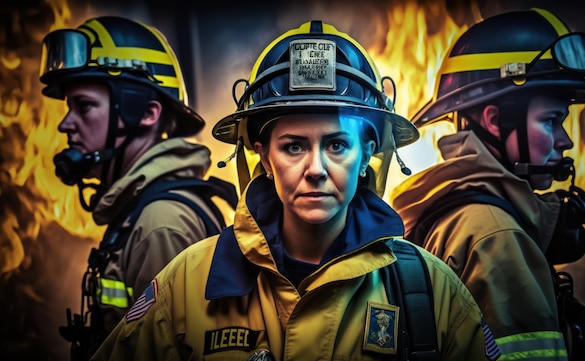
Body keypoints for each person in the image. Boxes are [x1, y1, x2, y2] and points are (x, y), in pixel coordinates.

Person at [91, 20, 501, 361]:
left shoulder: (430, 289)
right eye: (293, 146)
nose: (316, 170)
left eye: (337, 145)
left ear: (367, 157)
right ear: (264, 159)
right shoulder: (187, 284)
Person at [390, 8, 585, 361]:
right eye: (551, 121)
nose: (565, 141)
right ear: (494, 121)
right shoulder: (494, 236)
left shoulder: (454, 207)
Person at [39, 16, 237, 360]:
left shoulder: (161, 223)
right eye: (69, 107)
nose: (65, 123)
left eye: (84, 106)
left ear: (147, 113)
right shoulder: (141, 211)